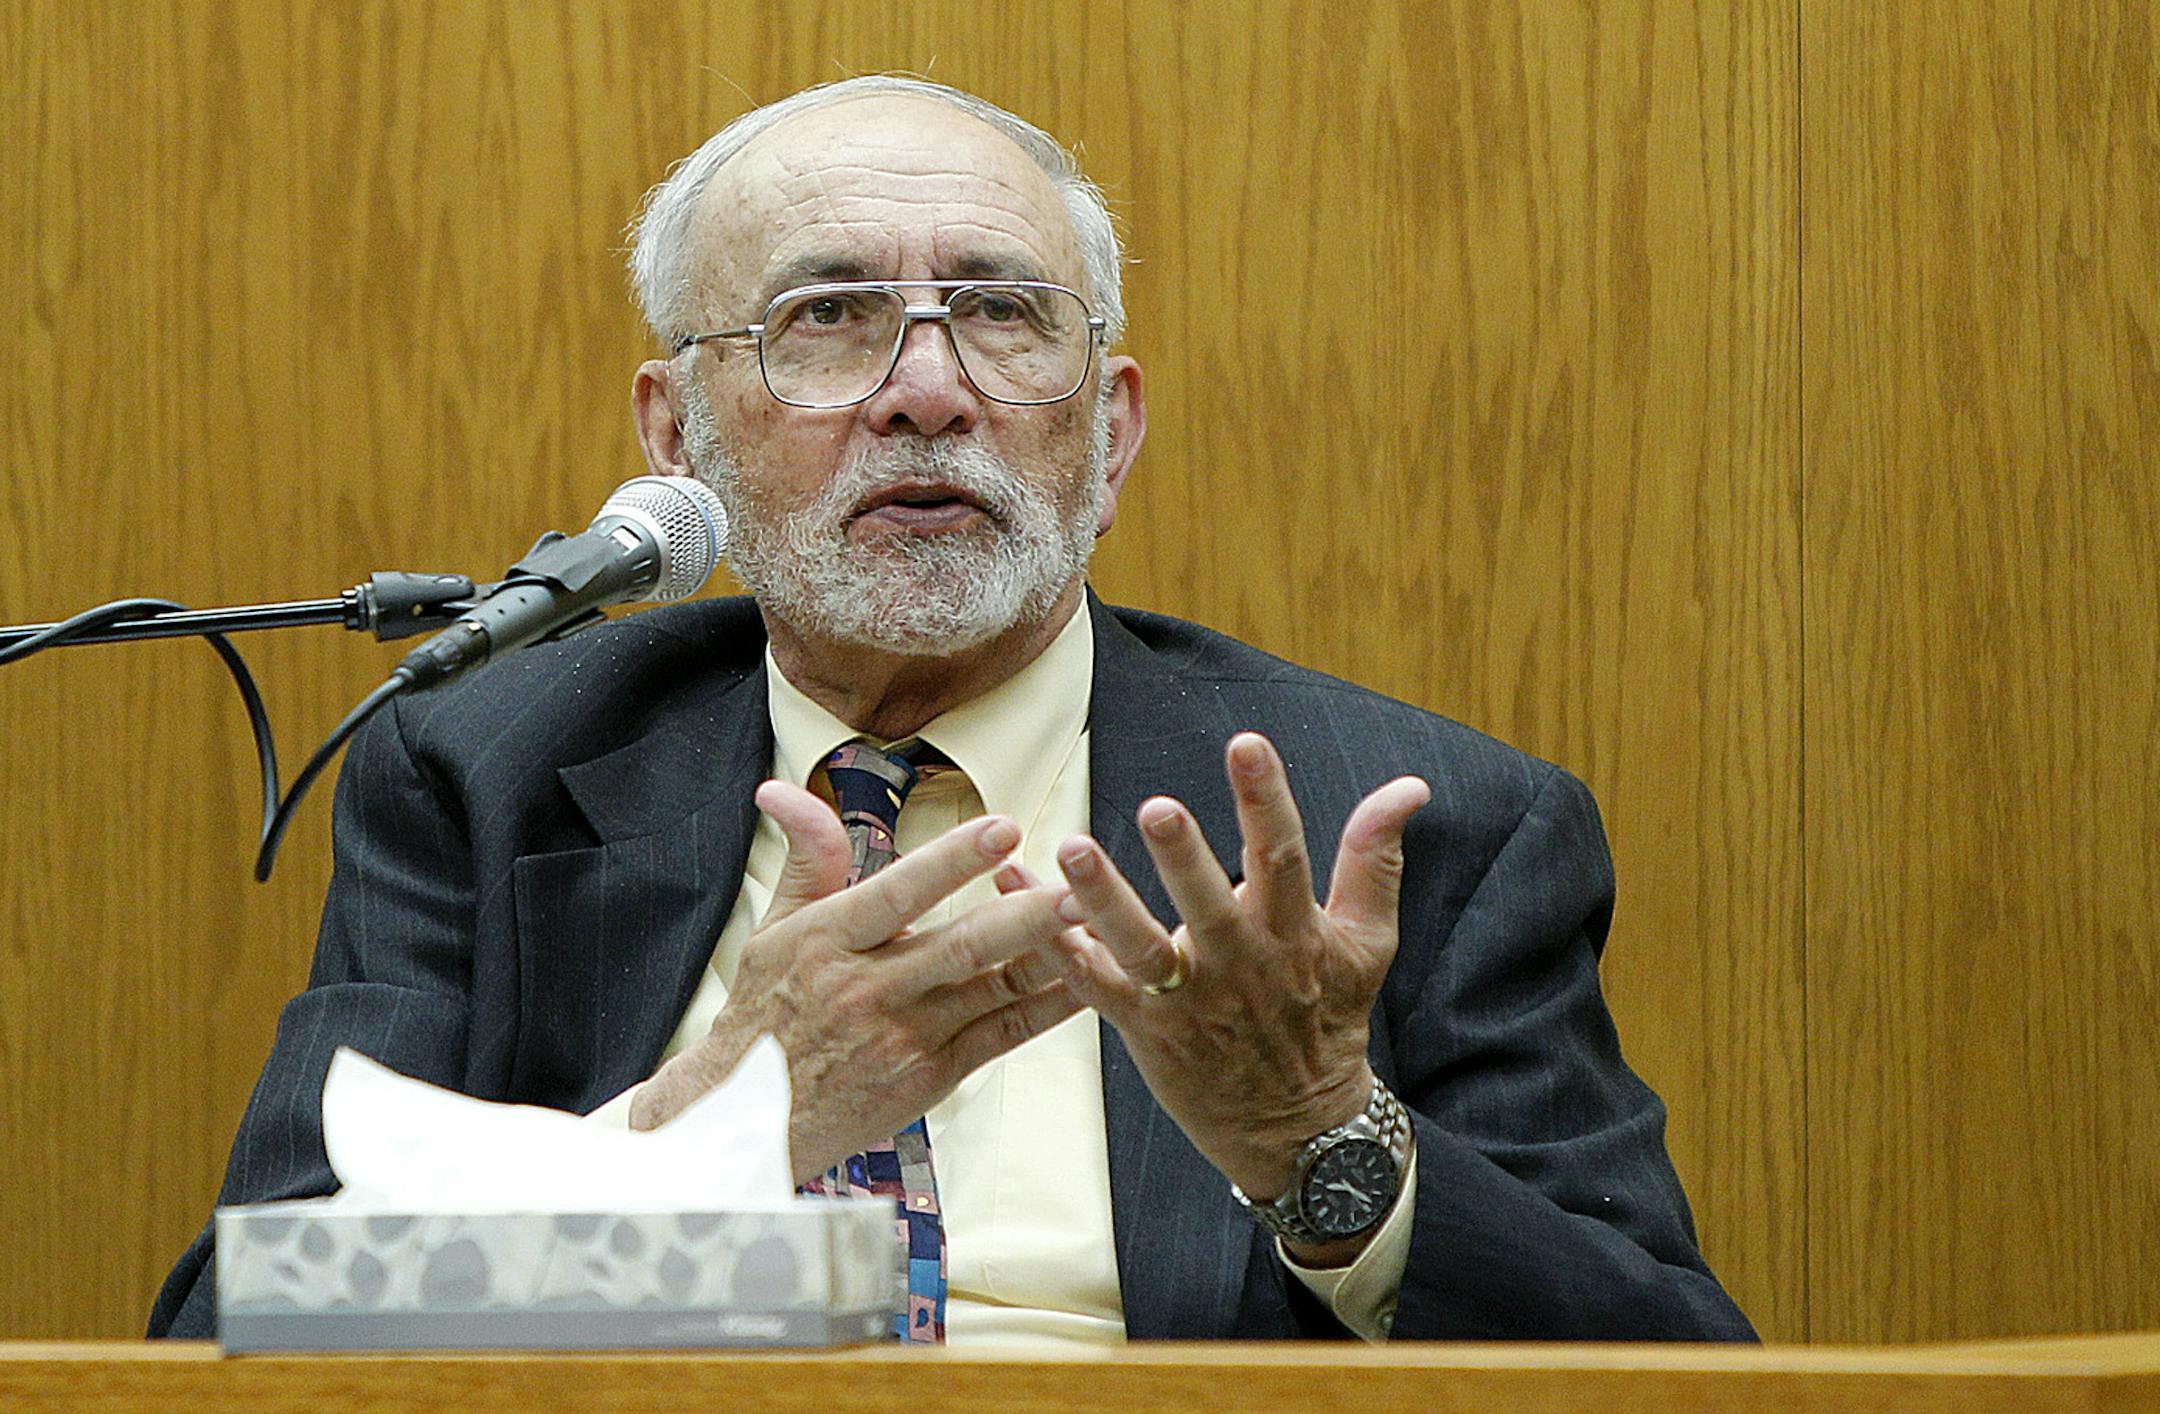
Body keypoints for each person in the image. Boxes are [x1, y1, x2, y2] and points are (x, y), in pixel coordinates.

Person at [151, 76, 1753, 1344]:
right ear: (681, 440)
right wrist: (704, 1132)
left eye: (1002, 312)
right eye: (828, 315)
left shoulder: (1400, 822)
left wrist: (1319, 1137)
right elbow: (238, 1334)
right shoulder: (487, 769)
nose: (928, 387)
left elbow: (1680, 1370)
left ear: (1108, 439)